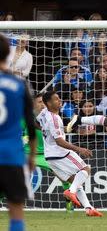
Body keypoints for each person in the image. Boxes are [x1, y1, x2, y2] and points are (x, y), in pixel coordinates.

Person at [37, 91, 102, 217]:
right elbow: (60, 141)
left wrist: (46, 130)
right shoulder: (55, 119)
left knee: (75, 180)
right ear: (48, 103)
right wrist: (80, 149)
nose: (59, 101)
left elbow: (36, 122)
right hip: (60, 153)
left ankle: (88, 208)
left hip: (49, 157)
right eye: (56, 99)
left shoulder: (43, 113)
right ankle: (70, 192)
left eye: (59, 98)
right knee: (86, 169)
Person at [0, 34, 37, 231]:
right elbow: (30, 125)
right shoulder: (19, 85)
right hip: (12, 157)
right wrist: (31, 156)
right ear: (8, 54)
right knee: (15, 210)